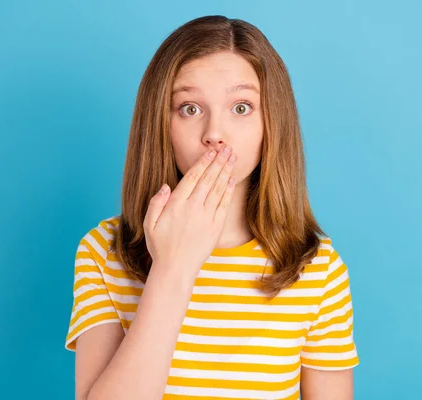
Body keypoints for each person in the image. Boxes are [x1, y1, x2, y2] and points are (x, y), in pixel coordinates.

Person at [64, 15, 359, 400]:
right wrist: (173, 268)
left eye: (241, 107)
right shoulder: (104, 252)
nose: (214, 134)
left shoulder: (317, 268)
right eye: (189, 108)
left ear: (272, 121)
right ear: (160, 123)